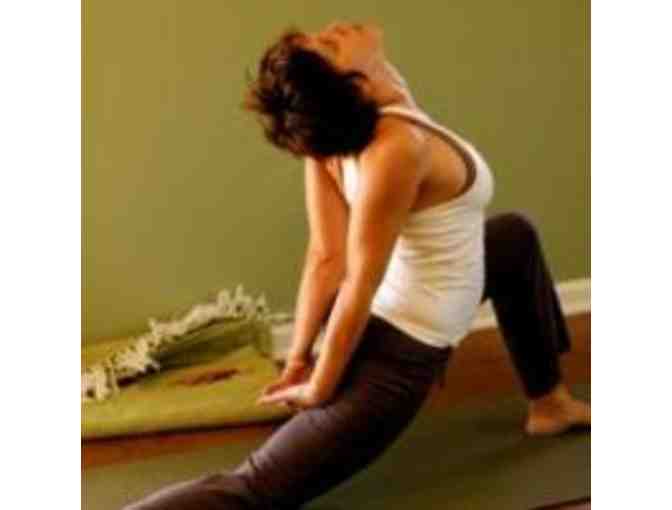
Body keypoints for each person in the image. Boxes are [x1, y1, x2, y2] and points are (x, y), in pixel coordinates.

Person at [122, 21, 589, 510]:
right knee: (256, 489)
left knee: (512, 237)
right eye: (330, 44)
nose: (337, 28)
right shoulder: (395, 148)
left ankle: (550, 404)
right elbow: (351, 276)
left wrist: (298, 357)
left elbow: (325, 257)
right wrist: (317, 382)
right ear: (354, 82)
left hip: (403, 306)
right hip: (400, 352)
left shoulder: (363, 112)